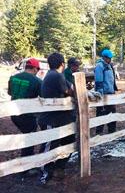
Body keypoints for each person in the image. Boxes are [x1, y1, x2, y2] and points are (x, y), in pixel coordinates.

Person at [38, 53, 76, 184]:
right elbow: (70, 91)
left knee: (69, 141)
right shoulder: (56, 75)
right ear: (63, 64)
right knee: (49, 145)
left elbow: (71, 86)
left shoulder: (55, 75)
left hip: (61, 118)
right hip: (51, 118)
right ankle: (44, 173)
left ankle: (58, 167)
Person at [8, 58, 42, 179]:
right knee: (29, 139)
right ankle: (25, 168)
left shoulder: (13, 77)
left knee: (26, 136)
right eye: (37, 70)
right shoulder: (37, 81)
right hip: (27, 115)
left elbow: (10, 93)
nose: (37, 72)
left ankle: (26, 164)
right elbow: (42, 97)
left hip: (13, 114)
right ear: (34, 68)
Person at [94, 49, 118, 135]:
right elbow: (98, 81)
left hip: (111, 93)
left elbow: (112, 79)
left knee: (112, 113)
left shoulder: (110, 66)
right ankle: (98, 133)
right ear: (104, 57)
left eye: (110, 58)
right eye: (108, 58)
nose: (110, 60)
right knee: (101, 113)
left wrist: (114, 89)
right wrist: (100, 95)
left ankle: (112, 131)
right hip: (103, 94)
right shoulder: (99, 66)